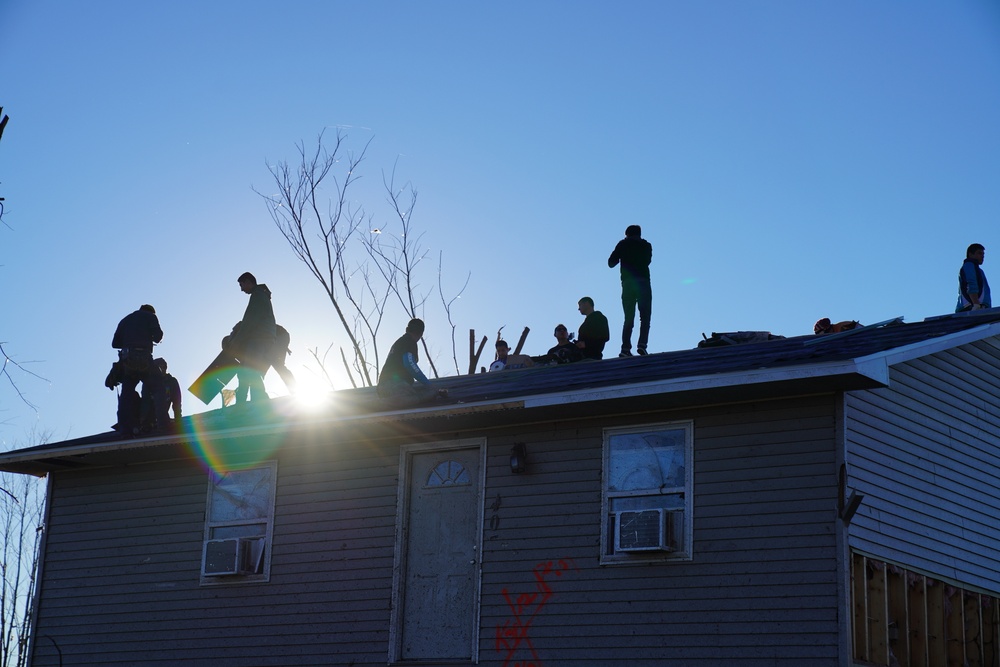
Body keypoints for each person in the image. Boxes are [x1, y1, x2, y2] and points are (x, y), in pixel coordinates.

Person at [111, 304, 167, 434]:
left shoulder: (125, 320)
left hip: (127, 361)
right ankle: (163, 425)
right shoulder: (150, 316)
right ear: (151, 312)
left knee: (126, 395)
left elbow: (115, 344)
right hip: (143, 358)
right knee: (159, 388)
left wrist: (129, 341)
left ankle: (125, 429)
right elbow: (158, 336)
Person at [226, 272, 276, 403]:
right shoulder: (259, 295)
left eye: (242, 285)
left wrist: (236, 342)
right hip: (261, 337)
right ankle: (242, 401)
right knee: (244, 369)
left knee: (250, 369)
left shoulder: (258, 295)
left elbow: (250, 321)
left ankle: (260, 401)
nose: (241, 289)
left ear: (248, 282)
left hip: (260, 338)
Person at [377, 318, 446, 406]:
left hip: (382, 388)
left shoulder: (400, 342)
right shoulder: (409, 341)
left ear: (407, 329)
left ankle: (381, 404)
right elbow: (409, 363)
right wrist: (429, 385)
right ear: (421, 334)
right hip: (395, 386)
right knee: (423, 397)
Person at [608, 224, 653, 357]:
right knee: (645, 316)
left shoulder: (622, 244)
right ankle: (642, 345)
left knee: (628, 317)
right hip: (643, 282)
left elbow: (611, 263)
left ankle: (625, 349)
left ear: (626, 234)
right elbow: (647, 261)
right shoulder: (647, 245)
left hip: (628, 284)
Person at [956, 243, 991, 312]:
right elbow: (970, 284)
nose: (982, 256)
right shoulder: (969, 266)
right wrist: (976, 304)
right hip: (971, 307)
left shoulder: (978, 270)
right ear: (970, 254)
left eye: (983, 254)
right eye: (979, 253)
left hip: (976, 307)